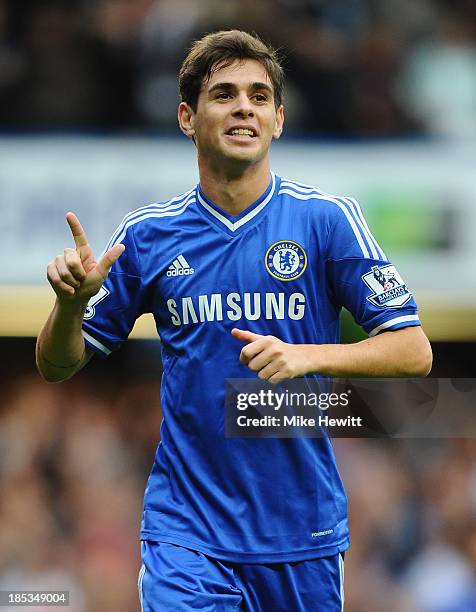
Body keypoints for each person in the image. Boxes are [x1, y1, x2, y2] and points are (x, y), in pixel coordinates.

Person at [36, 30, 433, 612]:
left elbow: (415, 351)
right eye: (223, 94)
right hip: (186, 532)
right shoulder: (147, 237)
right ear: (186, 118)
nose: (243, 106)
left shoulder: (327, 221)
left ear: (277, 119)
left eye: (258, 95)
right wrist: (69, 306)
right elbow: (56, 365)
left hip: (303, 534)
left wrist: (310, 355)